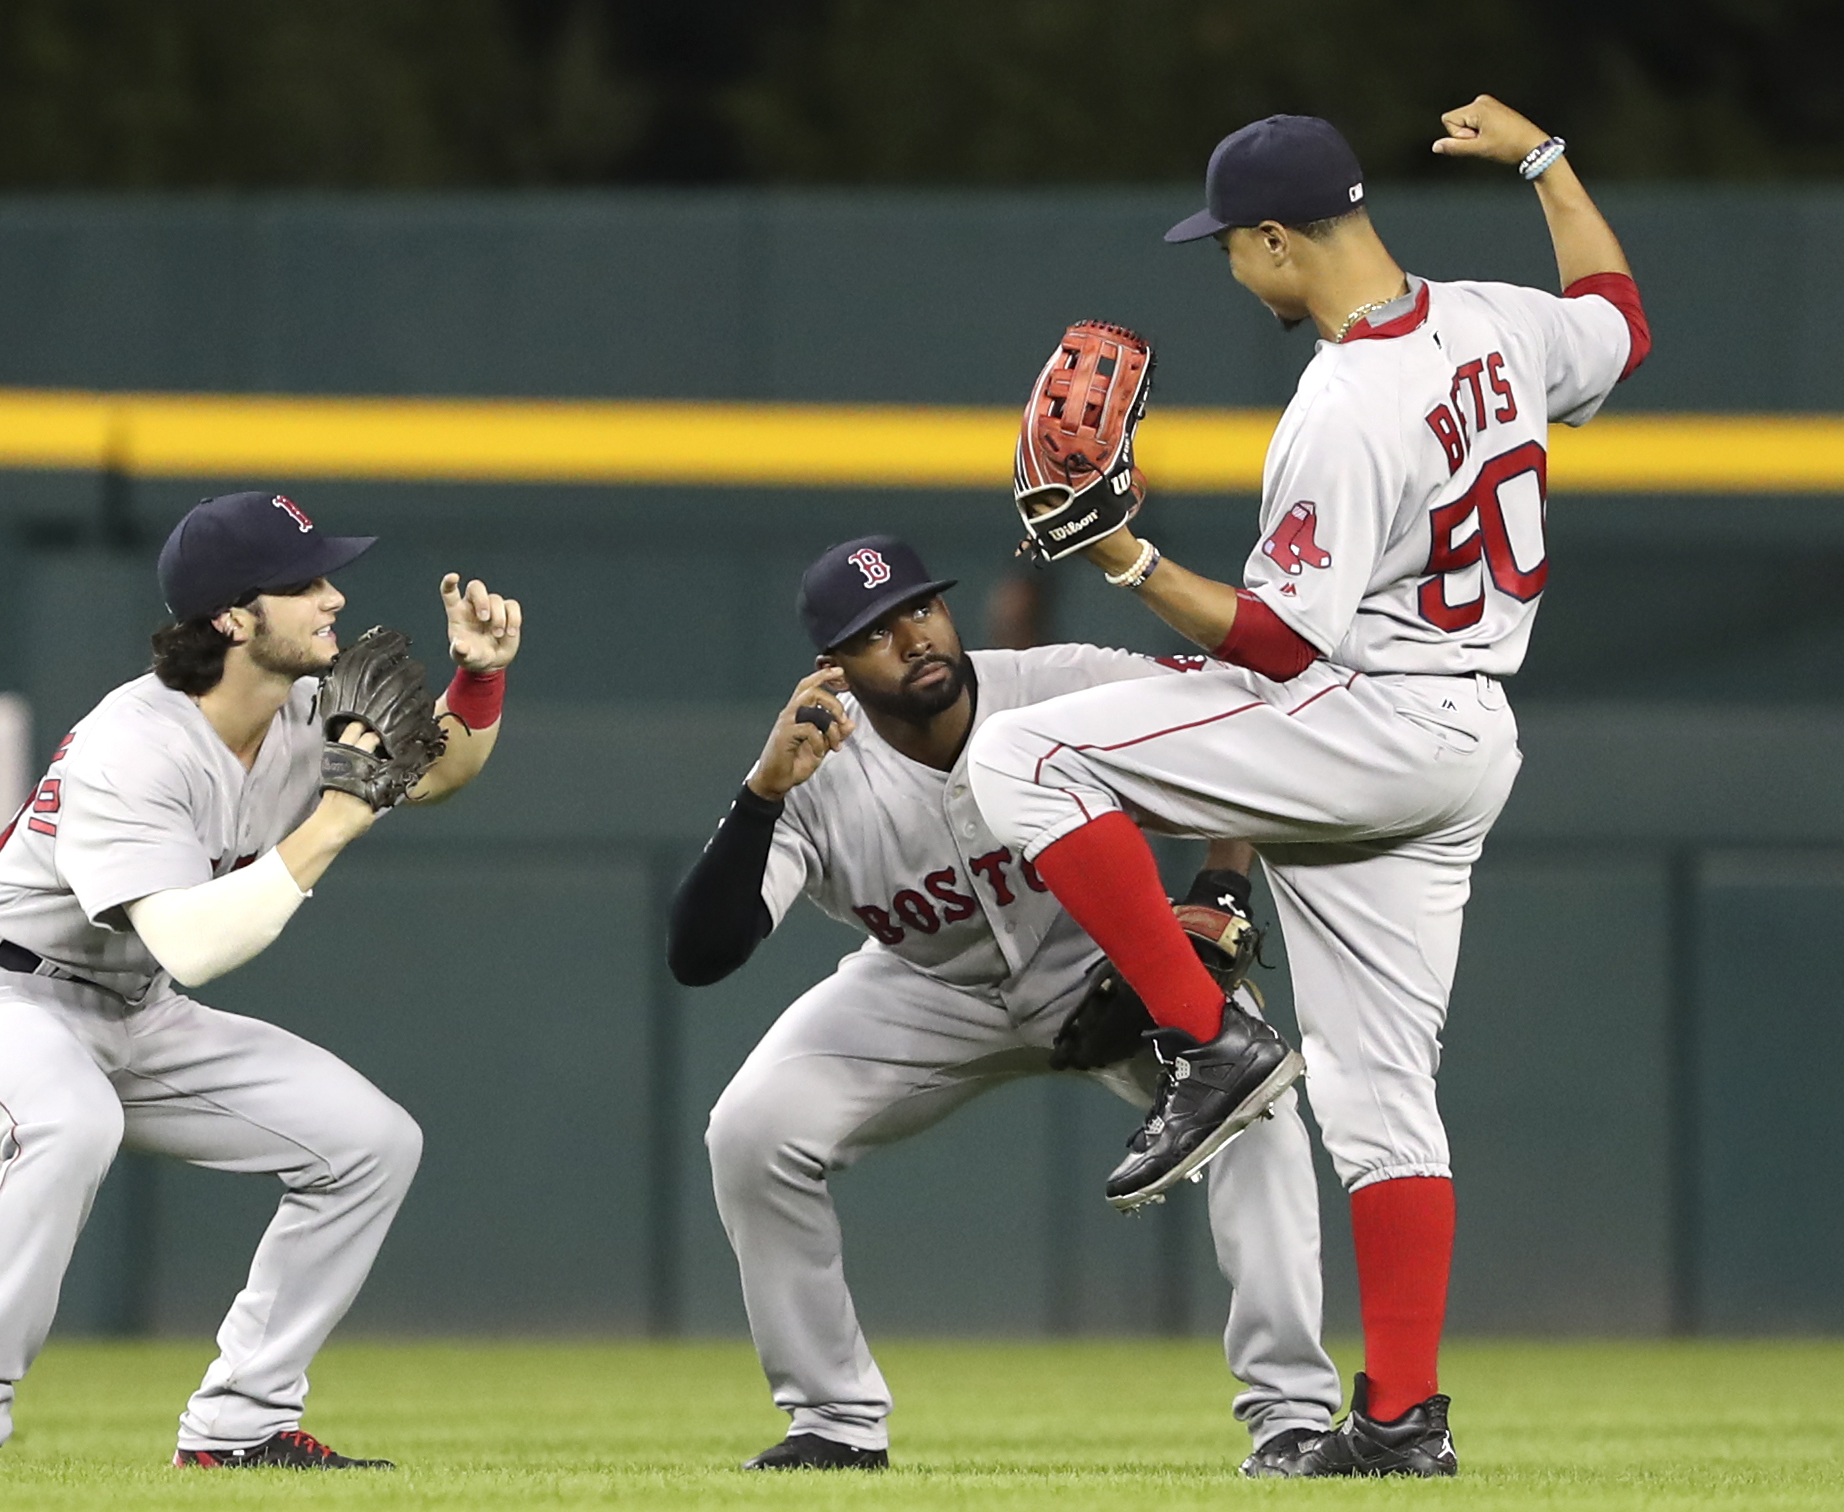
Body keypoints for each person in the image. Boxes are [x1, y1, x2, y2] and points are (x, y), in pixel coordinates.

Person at [965, 98, 1650, 1476]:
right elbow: (1619, 316)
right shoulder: (1495, 325)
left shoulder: (1341, 404)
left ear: (1280, 237)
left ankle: (1200, 1037)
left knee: (1017, 751)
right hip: (1464, 749)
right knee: (1384, 1095)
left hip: (1372, 718)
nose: (1229, 267)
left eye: (1232, 246)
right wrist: (1546, 161)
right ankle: (1398, 1424)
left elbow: (1281, 644)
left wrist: (1121, 559)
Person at [671, 534, 1340, 1477]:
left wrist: (1223, 886)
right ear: (835, 670)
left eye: (920, 608)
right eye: (874, 633)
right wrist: (763, 792)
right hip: (927, 987)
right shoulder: (818, 771)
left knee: (1255, 1097)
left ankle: (1292, 1417)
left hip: (1111, 960)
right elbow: (702, 952)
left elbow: (1236, 721)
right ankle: (833, 1421)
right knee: (750, 1130)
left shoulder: (1058, 682)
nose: (912, 638)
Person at [0, 490, 521, 1471]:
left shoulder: (304, 709)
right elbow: (193, 942)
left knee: (369, 1142)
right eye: (304, 583)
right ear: (231, 616)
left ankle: (240, 1427)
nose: (333, 600)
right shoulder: (133, 746)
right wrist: (339, 817)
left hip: (133, 1010)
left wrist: (477, 681)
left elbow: (433, 772)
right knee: (69, 1121)